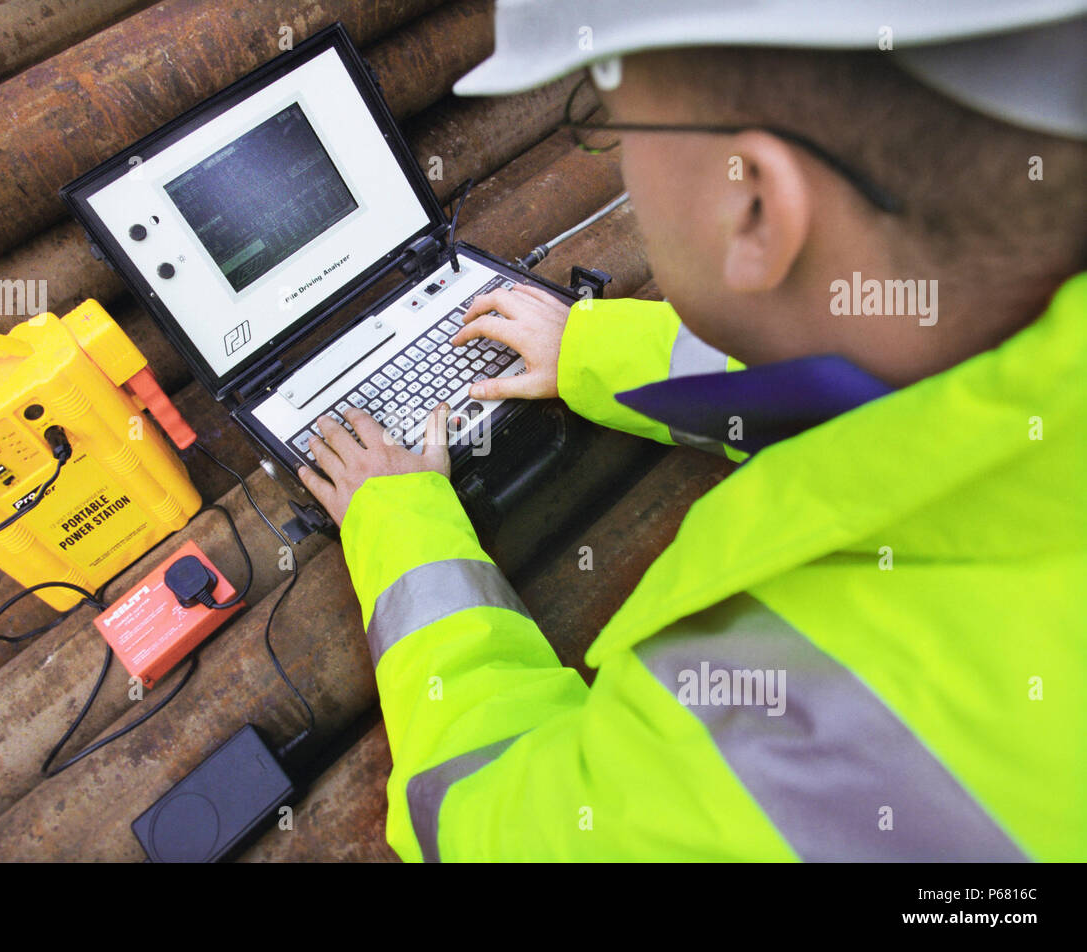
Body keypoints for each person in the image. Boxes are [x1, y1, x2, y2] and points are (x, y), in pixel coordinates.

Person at [296, 1, 1087, 860]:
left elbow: (481, 816)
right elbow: (887, 377)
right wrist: (596, 352)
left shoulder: (777, 735)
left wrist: (397, 520)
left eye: (614, 123)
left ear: (754, 209)